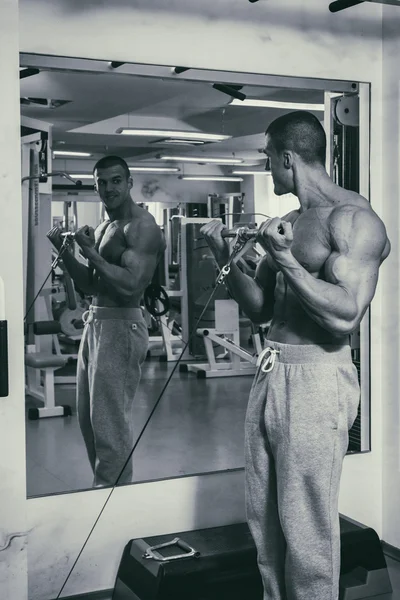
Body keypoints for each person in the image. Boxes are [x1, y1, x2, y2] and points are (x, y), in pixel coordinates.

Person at [201, 111, 390, 600]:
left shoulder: (354, 221)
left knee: (307, 525)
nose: (267, 167)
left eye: (268, 157)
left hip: (319, 377)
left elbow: (346, 316)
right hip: (273, 368)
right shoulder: (286, 222)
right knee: (264, 517)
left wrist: (284, 259)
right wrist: (223, 258)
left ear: (288, 157)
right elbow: (262, 309)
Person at [47, 155, 165, 488]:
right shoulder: (104, 228)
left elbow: (131, 285)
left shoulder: (142, 227)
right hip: (96, 322)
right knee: (89, 419)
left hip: (122, 325)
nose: (108, 188)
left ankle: (113, 498)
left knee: (109, 421)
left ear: (129, 183)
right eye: (101, 182)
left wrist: (91, 252)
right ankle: (104, 489)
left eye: (115, 180)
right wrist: (65, 251)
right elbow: (91, 285)